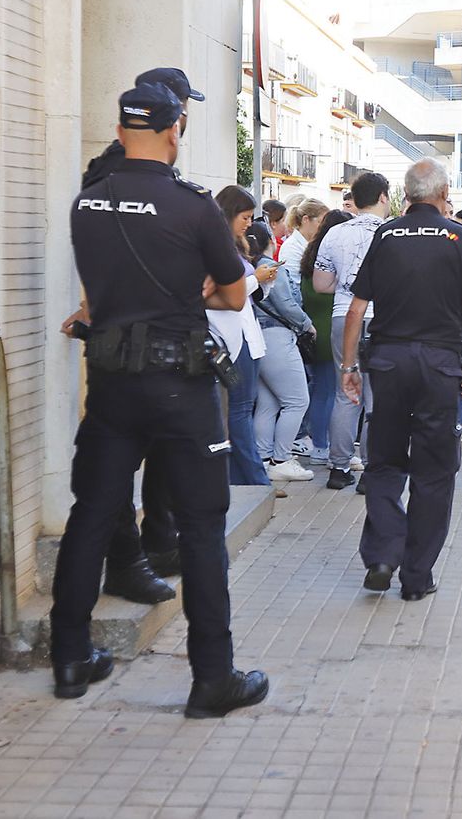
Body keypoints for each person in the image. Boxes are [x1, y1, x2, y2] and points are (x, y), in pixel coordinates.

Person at [54, 81, 267, 717]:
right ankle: (212, 680)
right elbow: (234, 295)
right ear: (176, 131)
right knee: (201, 528)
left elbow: (101, 294)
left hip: (113, 383)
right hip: (181, 387)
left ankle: (69, 659)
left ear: (121, 131)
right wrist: (190, 295)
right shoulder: (193, 207)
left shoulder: (86, 204)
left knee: (90, 513)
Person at [342, 158, 462, 601]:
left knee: (384, 462)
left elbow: (356, 308)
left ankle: (384, 554)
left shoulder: (385, 234)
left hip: (387, 363)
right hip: (439, 368)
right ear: (445, 194)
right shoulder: (457, 236)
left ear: (407, 196)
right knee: (434, 472)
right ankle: (416, 578)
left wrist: (349, 367)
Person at [313, 172, 390, 490]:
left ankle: (339, 467)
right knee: (379, 396)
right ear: (384, 197)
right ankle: (373, 468)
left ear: (355, 201)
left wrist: (347, 287)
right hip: (383, 319)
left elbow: (320, 283)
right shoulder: (391, 232)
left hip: (344, 316)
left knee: (345, 394)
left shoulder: (334, 234)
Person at [210, 185, 271, 487]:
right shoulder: (215, 247)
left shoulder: (234, 245)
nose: (250, 223)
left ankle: (242, 476)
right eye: (245, 217)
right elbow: (227, 295)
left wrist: (260, 281)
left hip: (246, 337)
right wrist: (254, 279)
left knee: (243, 406)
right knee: (240, 407)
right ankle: (255, 478)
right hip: (232, 340)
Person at [253, 244, 315, 482]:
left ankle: (263, 458)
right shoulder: (268, 267)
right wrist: (306, 324)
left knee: (268, 404)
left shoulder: (251, 267)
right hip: (277, 336)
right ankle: (281, 459)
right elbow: (286, 304)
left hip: (259, 336)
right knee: (298, 401)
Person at [298, 210, 350, 464]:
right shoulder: (337, 261)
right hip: (334, 331)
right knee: (334, 393)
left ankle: (319, 443)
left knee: (321, 391)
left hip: (313, 333)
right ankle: (324, 446)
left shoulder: (310, 257)